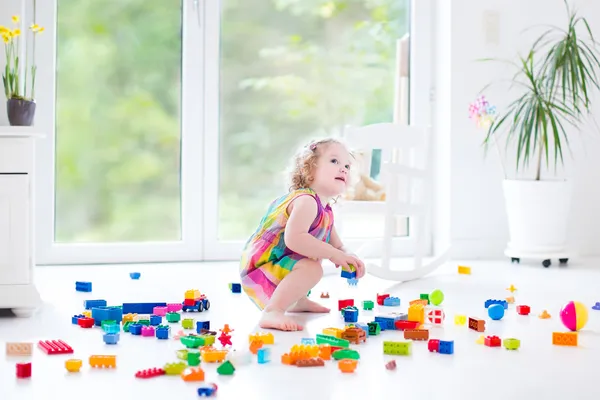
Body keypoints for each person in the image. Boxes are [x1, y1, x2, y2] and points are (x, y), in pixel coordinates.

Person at [239, 138, 366, 331]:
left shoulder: (326, 210)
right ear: (309, 169)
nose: (344, 169)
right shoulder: (306, 201)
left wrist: (349, 256)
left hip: (279, 266)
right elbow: (295, 239)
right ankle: (273, 310)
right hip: (261, 268)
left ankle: (297, 300)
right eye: (334, 161)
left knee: (311, 264)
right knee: (312, 268)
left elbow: (338, 245)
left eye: (347, 165)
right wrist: (333, 254)